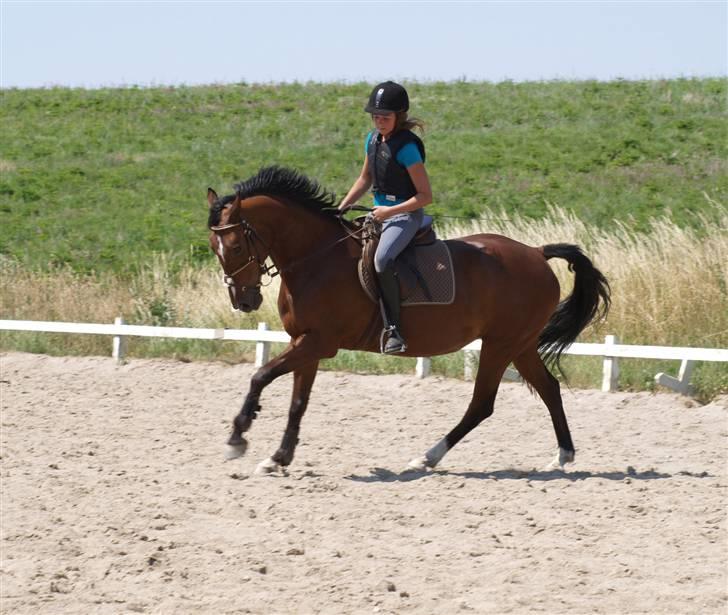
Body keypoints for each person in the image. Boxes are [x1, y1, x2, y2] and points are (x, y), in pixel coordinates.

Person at [339, 81, 433, 354]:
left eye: (385, 117)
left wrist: (389, 212)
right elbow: (365, 178)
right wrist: (343, 206)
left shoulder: (407, 149)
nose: (379, 122)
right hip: (378, 214)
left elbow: (425, 196)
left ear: (399, 117)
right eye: (375, 117)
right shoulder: (372, 140)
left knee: (382, 260)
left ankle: (394, 330)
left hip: (405, 216)